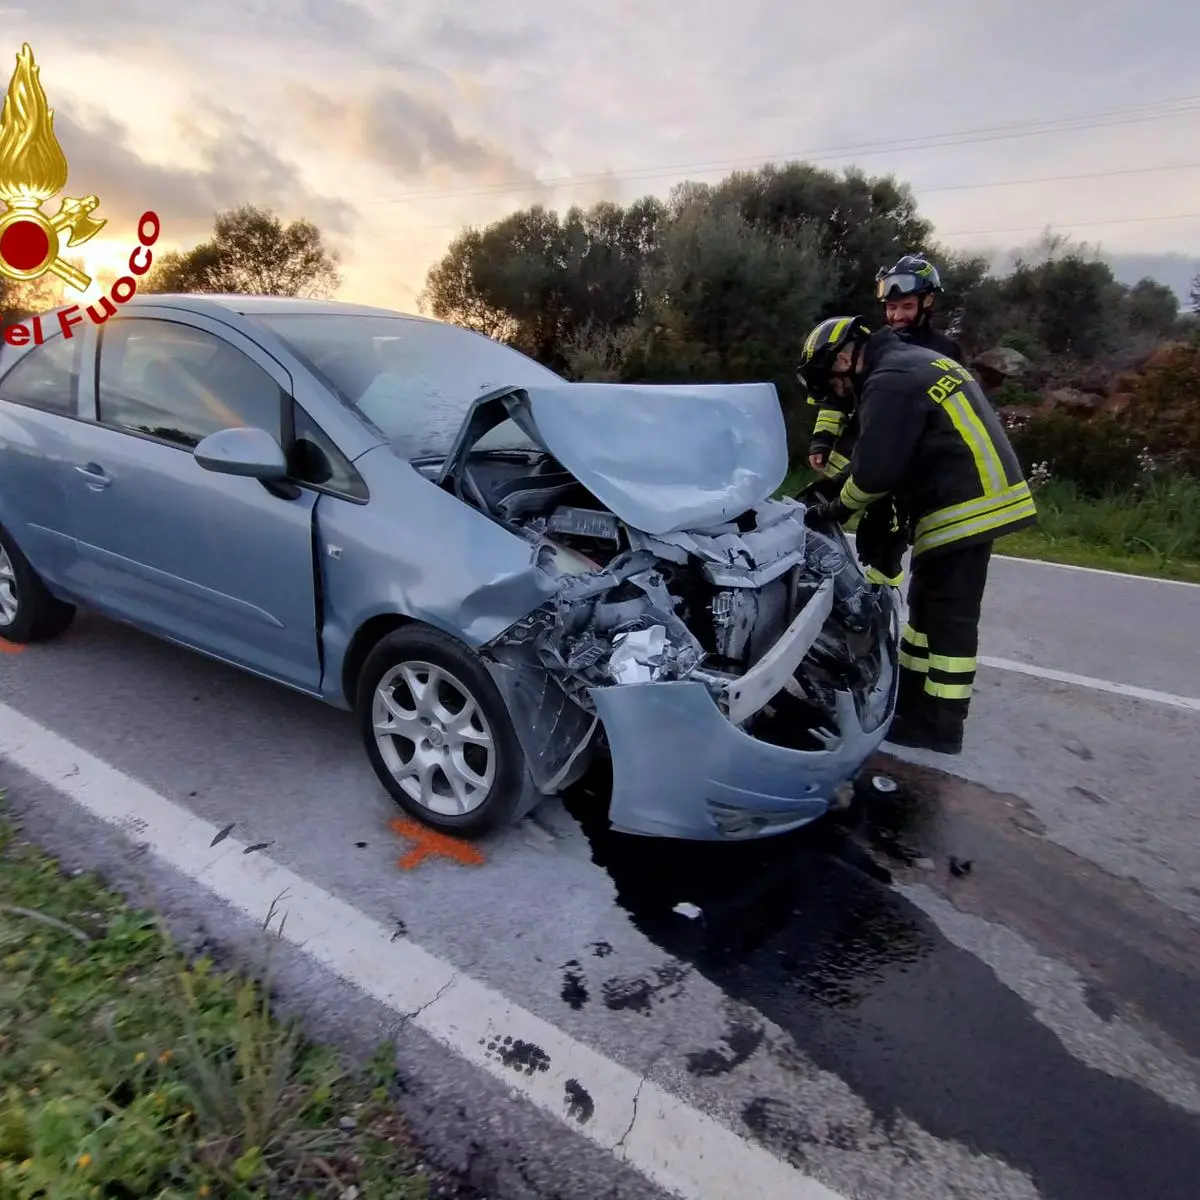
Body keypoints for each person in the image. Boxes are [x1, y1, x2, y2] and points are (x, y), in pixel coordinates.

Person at [795, 315, 1038, 755]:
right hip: (967, 496)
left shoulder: (888, 380)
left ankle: (941, 727)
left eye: (831, 380)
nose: (836, 392)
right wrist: (824, 488)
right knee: (927, 609)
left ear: (846, 357)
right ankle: (913, 703)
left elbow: (875, 474)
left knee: (948, 618)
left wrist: (832, 511)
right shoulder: (906, 365)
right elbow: (875, 451)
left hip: (965, 504)